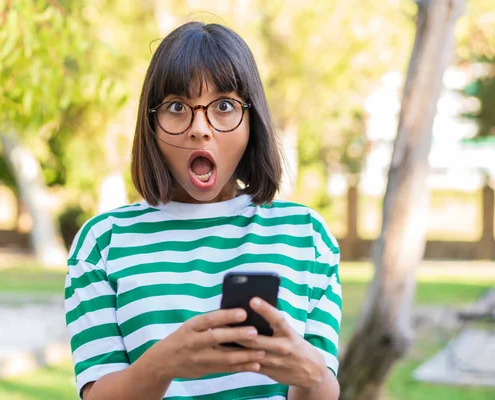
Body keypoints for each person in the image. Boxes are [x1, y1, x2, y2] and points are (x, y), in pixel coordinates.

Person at [64, 21, 341, 400]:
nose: (200, 128)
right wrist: (166, 362)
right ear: (151, 124)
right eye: (177, 107)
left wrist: (312, 375)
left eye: (224, 106)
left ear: (251, 120)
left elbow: (320, 388)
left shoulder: (307, 236)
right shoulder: (103, 242)